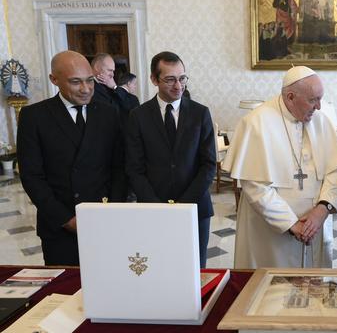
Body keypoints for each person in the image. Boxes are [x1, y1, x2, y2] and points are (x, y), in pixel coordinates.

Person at [223, 66, 337, 269]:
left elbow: (334, 170)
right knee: (273, 293)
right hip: (271, 233)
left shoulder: (321, 120)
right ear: (290, 97)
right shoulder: (256, 123)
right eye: (312, 100)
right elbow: (255, 187)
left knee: (313, 289)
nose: (318, 107)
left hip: (315, 224)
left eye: (320, 99)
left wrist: (322, 209)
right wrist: (292, 224)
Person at [17, 50, 125, 265]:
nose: (85, 89)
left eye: (90, 81)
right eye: (76, 82)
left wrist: (112, 210)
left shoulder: (108, 113)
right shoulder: (34, 117)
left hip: (104, 221)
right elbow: (32, 176)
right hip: (59, 226)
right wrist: (66, 220)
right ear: (54, 79)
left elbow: (119, 168)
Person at [126, 51, 216, 268]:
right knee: (160, 267)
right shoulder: (138, 116)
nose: (178, 86)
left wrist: (183, 205)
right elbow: (134, 168)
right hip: (153, 209)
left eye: (182, 78)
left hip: (195, 208)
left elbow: (208, 164)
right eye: (170, 79)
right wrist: (157, 207)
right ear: (154, 79)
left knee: (195, 269)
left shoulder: (200, 113)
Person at [90, 53, 140, 126]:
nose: (112, 75)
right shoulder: (88, 87)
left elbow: (131, 104)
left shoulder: (112, 88)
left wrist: (114, 87)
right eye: (110, 70)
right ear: (97, 67)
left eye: (113, 71)